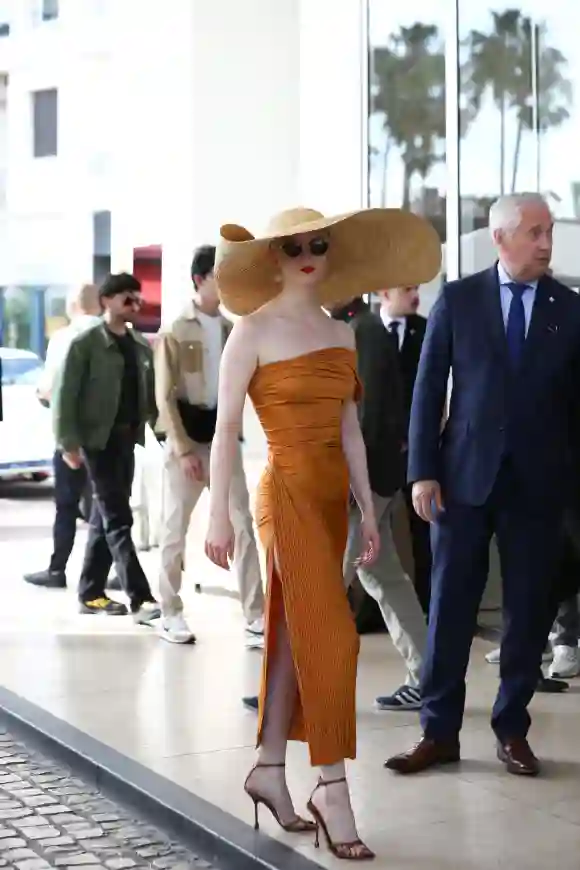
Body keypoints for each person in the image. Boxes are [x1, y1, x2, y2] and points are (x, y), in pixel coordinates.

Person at [205, 206, 440, 859]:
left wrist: (368, 507)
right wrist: (218, 514)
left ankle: (269, 771)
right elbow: (227, 430)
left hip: (333, 499)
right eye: (294, 246)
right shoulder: (249, 331)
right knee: (332, 640)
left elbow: (347, 431)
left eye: (319, 244)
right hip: (282, 495)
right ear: (274, 258)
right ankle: (331, 786)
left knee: (290, 639)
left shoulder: (341, 337)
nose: (308, 254)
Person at [385, 192, 580, 779]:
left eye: (549, 232)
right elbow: (427, 390)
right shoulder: (459, 299)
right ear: (500, 237)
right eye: (535, 232)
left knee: (526, 613)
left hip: (539, 488)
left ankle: (512, 731)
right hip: (460, 481)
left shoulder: (568, 309)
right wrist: (421, 470)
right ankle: (438, 731)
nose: (547, 243)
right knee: (449, 608)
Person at [155, 244, 264, 645]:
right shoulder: (175, 329)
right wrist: (182, 449)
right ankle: (169, 611)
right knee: (175, 526)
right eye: (221, 276)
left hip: (223, 438)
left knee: (243, 523)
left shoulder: (233, 329)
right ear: (201, 279)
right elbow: (163, 394)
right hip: (187, 437)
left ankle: (256, 615)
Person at [332, 296, 428, 711]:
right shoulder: (360, 328)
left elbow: (364, 416)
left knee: (328, 578)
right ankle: (429, 677)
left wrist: (354, 486)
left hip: (367, 481)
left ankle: (295, 686)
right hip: (377, 477)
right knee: (382, 574)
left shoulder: (362, 331)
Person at [52, 273, 161, 625]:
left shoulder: (140, 345)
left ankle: (91, 592)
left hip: (127, 439)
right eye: (127, 298)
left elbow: (150, 397)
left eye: (137, 299)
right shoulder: (85, 344)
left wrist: (164, 433)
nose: (134, 305)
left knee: (104, 516)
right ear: (107, 301)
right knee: (118, 517)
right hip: (97, 440)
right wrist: (67, 442)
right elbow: (64, 396)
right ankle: (140, 598)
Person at [24, 284, 102, 590]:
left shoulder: (65, 337)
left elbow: (49, 388)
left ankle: (57, 570)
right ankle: (106, 572)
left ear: (73, 305)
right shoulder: (114, 335)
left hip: (72, 437)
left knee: (67, 506)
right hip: (108, 438)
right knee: (107, 506)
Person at [378, 285, 431, 614]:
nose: (415, 295)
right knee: (374, 531)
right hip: (378, 453)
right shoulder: (363, 332)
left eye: (416, 288)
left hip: (416, 450)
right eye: (407, 289)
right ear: (384, 292)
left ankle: (426, 605)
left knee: (422, 528)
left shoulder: (426, 330)